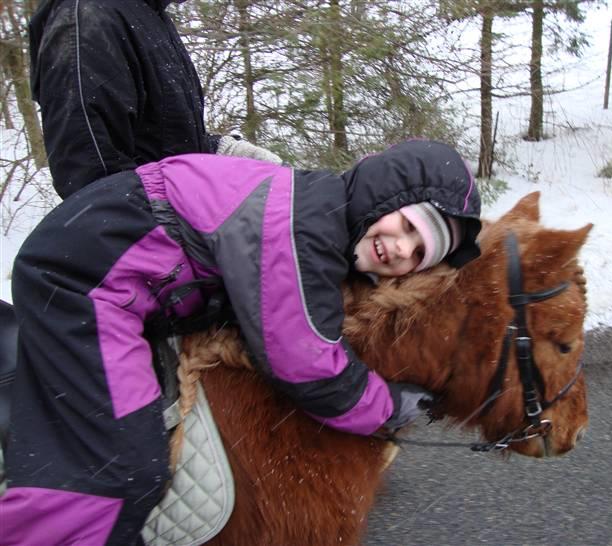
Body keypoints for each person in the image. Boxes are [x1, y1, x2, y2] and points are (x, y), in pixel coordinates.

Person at [0, 139, 481, 545]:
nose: (402, 248)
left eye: (419, 254)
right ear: (384, 193)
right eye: (410, 227)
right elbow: (308, 365)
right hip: (87, 283)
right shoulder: (305, 231)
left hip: (118, 282)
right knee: (120, 465)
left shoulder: (318, 214)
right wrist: (388, 407)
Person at [28, 0, 280, 200]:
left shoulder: (147, 12)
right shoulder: (88, 18)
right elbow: (93, 183)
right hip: (146, 252)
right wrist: (169, 245)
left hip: (171, 232)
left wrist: (221, 151)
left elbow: (160, 136)